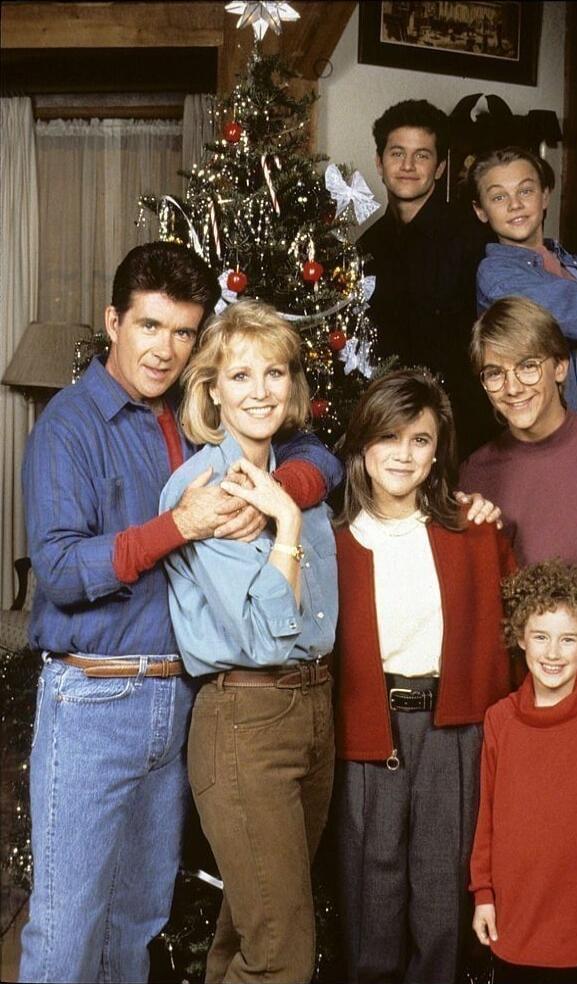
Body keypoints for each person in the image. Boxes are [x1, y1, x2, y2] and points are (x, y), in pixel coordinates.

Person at [20, 243, 343, 984]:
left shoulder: (195, 417)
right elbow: (63, 570)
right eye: (150, 326)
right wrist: (181, 525)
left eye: (183, 333)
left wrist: (282, 489)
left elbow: (318, 454)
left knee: (136, 920)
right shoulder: (69, 426)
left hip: (184, 698)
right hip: (95, 696)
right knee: (69, 927)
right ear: (113, 322)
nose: (165, 349)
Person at [331, 370, 577, 984]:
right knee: (372, 903)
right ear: (362, 444)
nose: (403, 454)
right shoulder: (333, 539)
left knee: (442, 900)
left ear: (437, 450)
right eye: (388, 438)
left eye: (419, 439)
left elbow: (531, 626)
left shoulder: (474, 529)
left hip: (454, 731)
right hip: (367, 734)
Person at [159, 300, 338, 984]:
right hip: (246, 721)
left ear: (293, 385)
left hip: (313, 711)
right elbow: (265, 637)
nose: (260, 391)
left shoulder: (296, 474)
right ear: (212, 389)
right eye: (240, 376)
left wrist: (293, 504)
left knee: (245, 933)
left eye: (275, 373)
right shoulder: (203, 490)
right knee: (281, 955)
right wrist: (285, 528)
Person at [460, 295, 577, 742]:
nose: (512, 387)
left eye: (528, 365)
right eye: (494, 373)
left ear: (559, 367)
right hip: (536, 673)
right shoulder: (476, 471)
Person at [471, 559, 577, 984]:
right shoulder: (499, 720)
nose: (552, 653)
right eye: (541, 637)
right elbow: (487, 819)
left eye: (568, 639)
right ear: (520, 639)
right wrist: (483, 895)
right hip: (515, 914)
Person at [467, 146, 577, 426]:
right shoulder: (496, 275)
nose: (515, 204)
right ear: (481, 210)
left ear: (545, 195)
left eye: (525, 191)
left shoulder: (570, 262)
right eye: (499, 196)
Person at [358, 99, 494, 455]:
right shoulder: (366, 245)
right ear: (379, 162)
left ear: (439, 167)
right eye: (397, 153)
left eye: (422, 155)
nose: (407, 166)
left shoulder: (473, 238)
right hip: (387, 419)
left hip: (460, 425)